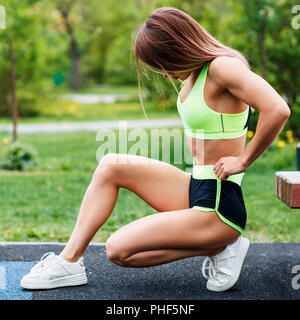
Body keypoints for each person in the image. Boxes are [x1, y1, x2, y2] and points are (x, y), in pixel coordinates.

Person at [20, 7, 290, 292]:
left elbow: (277, 109)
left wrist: (244, 160)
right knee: (111, 164)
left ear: (176, 48)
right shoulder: (196, 75)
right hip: (196, 187)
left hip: (219, 206)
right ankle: (69, 261)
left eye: (162, 64)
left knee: (118, 250)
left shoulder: (223, 67)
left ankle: (221, 246)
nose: (163, 74)